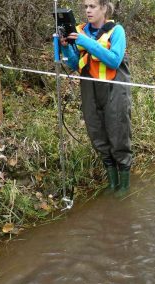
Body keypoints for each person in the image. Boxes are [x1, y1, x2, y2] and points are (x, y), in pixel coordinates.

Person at [60, 0, 132, 197]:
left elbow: (114, 60)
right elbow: (77, 65)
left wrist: (86, 42)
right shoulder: (79, 30)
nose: (88, 11)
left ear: (104, 8)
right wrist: (66, 47)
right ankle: (112, 182)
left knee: (118, 133)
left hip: (114, 87)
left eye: (92, 6)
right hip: (89, 87)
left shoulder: (117, 31)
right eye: (85, 7)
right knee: (97, 134)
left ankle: (124, 187)